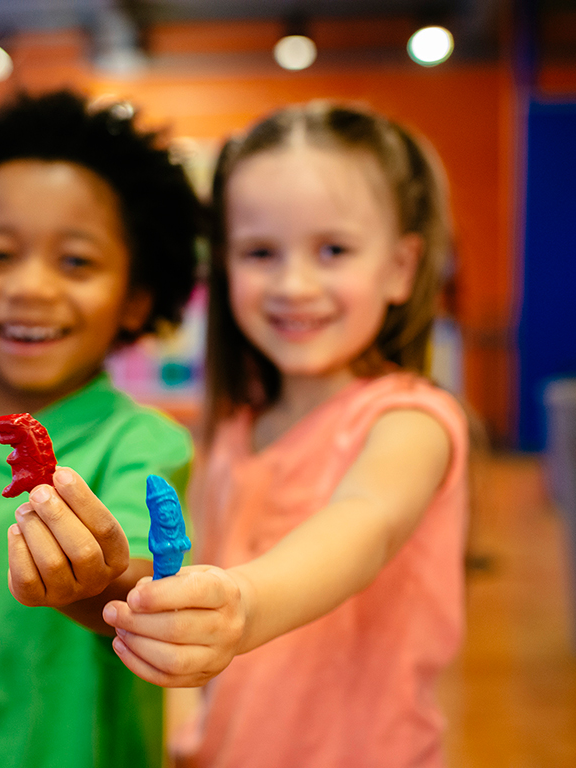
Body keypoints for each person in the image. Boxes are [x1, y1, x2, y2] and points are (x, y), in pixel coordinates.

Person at [102, 102, 470, 767]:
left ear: (400, 267)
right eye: (260, 252)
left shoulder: (411, 421)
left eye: (333, 250)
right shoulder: (235, 428)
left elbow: (365, 524)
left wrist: (242, 605)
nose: (294, 284)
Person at [0, 90, 202, 768]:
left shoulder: (143, 444)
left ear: (136, 297)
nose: (30, 287)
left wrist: (96, 581)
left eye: (76, 261)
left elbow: (143, 590)